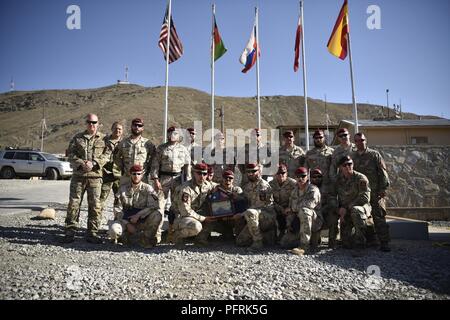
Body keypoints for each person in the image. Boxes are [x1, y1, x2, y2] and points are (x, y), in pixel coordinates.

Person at [63, 113, 109, 244]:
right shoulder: (77, 138)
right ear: (86, 123)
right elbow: (70, 154)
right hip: (79, 176)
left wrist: (94, 163)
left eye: (94, 122)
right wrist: (81, 163)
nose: (92, 125)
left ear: (98, 123)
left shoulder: (104, 139)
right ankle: (70, 231)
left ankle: (92, 233)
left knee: (95, 205)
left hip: (95, 177)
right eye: (89, 122)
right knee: (74, 204)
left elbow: (107, 155)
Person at [352, 133, 391, 252]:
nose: (360, 142)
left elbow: (383, 173)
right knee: (362, 217)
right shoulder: (352, 157)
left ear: (366, 140)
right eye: (357, 140)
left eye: (362, 140)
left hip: (375, 192)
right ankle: (365, 241)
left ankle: (384, 242)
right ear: (355, 142)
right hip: (361, 194)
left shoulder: (374, 154)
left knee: (379, 217)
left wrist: (383, 188)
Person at [151, 127, 191, 242]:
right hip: (164, 179)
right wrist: (155, 179)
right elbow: (155, 165)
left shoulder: (183, 149)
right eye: (170, 133)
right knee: (159, 206)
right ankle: (157, 235)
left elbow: (187, 165)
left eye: (175, 133)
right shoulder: (161, 148)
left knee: (176, 207)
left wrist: (187, 181)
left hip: (177, 179)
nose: (172, 135)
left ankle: (172, 233)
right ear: (167, 135)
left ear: (179, 136)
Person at [111, 164, 162, 248]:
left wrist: (138, 215)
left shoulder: (148, 188)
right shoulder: (122, 189)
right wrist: (127, 223)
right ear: (130, 174)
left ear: (142, 175)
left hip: (142, 219)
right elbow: (117, 208)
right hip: (126, 218)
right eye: (134, 174)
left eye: (138, 174)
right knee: (114, 231)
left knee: (157, 214)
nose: (136, 176)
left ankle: (146, 239)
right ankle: (125, 237)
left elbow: (153, 206)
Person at [172, 163, 218, 248]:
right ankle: (177, 235)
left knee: (213, 217)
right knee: (196, 226)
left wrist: (234, 190)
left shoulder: (207, 185)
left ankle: (200, 239)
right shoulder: (186, 189)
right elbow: (185, 211)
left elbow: (219, 186)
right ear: (193, 173)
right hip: (182, 217)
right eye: (199, 173)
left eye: (204, 174)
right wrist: (203, 218)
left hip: (197, 214)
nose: (202, 176)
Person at [335, 155, 373, 256]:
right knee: (346, 243)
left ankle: (361, 245)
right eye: (345, 165)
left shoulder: (361, 178)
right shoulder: (338, 180)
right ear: (340, 167)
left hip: (361, 207)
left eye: (350, 164)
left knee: (356, 210)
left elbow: (365, 198)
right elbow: (333, 196)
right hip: (346, 210)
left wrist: (347, 207)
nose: (348, 166)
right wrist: (339, 209)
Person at [235, 163, 276, 250]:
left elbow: (258, 206)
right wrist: (233, 194)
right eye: (248, 172)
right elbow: (243, 197)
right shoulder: (248, 186)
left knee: (250, 212)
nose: (251, 174)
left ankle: (258, 242)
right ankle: (266, 236)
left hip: (267, 216)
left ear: (259, 171)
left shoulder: (263, 186)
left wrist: (242, 214)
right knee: (240, 241)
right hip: (255, 217)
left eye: (254, 171)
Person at [281, 167, 322, 255]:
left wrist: (293, 208)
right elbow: (289, 210)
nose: (300, 179)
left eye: (303, 176)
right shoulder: (294, 192)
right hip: (298, 222)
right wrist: (289, 225)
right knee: (284, 243)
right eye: (298, 176)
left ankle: (304, 246)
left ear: (307, 177)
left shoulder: (313, 189)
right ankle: (309, 240)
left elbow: (309, 205)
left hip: (314, 221)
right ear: (295, 177)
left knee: (304, 211)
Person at [114, 118, 156, 184]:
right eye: (135, 125)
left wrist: (148, 168)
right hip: (127, 177)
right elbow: (116, 157)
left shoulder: (147, 143)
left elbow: (155, 157)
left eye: (139, 126)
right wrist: (122, 168)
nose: (137, 127)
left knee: (142, 194)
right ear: (131, 126)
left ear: (142, 128)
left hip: (142, 178)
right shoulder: (123, 143)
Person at [310, 168, 339, 248]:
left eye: (319, 177)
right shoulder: (307, 188)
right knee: (314, 244)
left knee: (333, 216)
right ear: (311, 178)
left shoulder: (327, 188)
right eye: (314, 177)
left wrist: (324, 209)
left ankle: (332, 242)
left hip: (325, 213)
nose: (317, 179)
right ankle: (315, 239)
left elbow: (333, 201)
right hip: (313, 216)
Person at [99, 121, 123, 212]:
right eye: (116, 128)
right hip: (106, 174)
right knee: (101, 198)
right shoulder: (103, 141)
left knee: (119, 199)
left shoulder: (125, 143)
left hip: (119, 175)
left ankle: (117, 220)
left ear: (122, 131)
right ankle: (97, 219)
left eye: (119, 129)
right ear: (112, 129)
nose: (117, 130)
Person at [269, 164, 297, 242]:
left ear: (286, 173)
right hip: (276, 208)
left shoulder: (293, 184)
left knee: (290, 217)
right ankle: (274, 235)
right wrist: (278, 208)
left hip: (289, 208)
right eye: (278, 173)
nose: (281, 175)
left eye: (283, 173)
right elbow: (269, 199)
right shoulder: (271, 184)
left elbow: (297, 198)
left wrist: (290, 208)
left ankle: (289, 236)